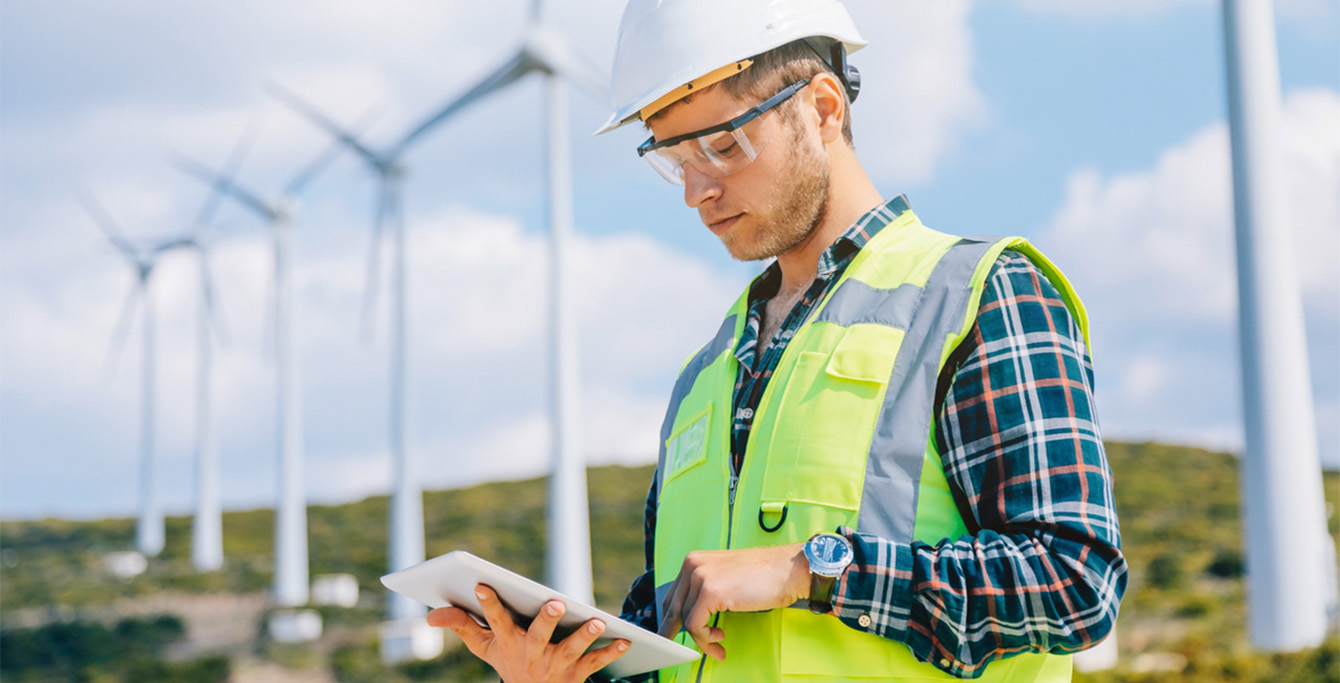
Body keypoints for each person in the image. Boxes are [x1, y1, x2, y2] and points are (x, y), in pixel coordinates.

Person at [429, 0, 1127, 680]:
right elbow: (682, 645)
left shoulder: (978, 296)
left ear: (824, 107)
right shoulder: (705, 375)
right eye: (673, 158)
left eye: (722, 145)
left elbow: (1075, 579)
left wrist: (810, 570)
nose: (695, 190)